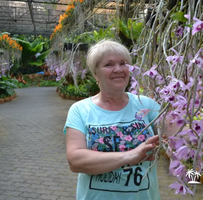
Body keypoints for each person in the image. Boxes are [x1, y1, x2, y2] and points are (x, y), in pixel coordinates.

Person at [64, 40, 161, 200]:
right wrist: (130, 156)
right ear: (95, 73)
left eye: (123, 63)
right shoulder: (80, 110)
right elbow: (76, 161)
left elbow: (180, 134)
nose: (118, 69)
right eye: (109, 64)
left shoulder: (146, 105)